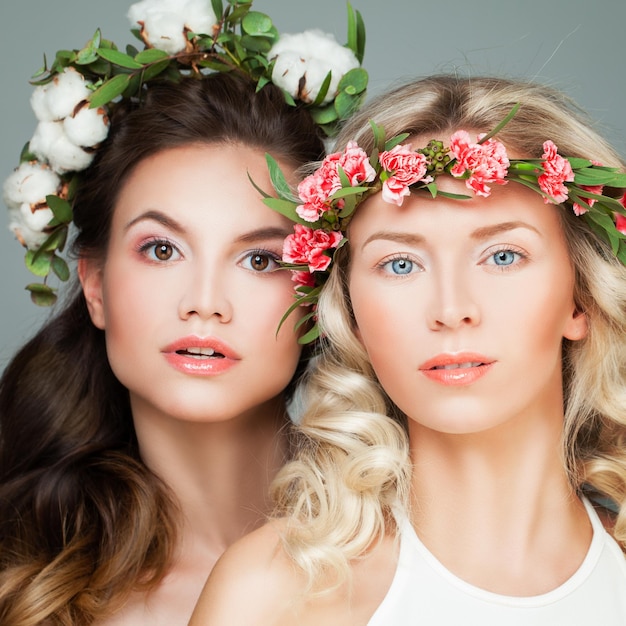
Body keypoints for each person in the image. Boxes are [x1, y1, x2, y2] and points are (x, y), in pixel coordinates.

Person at [190, 75, 626, 625]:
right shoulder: (267, 597)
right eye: (401, 264)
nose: (450, 308)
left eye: (503, 256)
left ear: (580, 298)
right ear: (351, 313)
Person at [0, 0, 373, 620]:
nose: (204, 303)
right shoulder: (25, 588)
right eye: (162, 249)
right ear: (94, 286)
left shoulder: (421, 546)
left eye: (260, 260)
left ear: (318, 290)